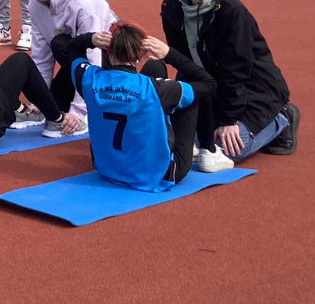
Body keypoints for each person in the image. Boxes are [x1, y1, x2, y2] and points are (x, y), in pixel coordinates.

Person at [159, 0, 299, 160]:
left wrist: (229, 120)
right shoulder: (171, 7)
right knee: (181, 143)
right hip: (213, 90)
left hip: (254, 91)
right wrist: (185, 102)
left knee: (227, 151)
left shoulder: (232, 12)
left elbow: (236, 69)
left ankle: (282, 117)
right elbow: (184, 63)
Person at [62, 24, 225, 188]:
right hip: (158, 175)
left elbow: (71, 48)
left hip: (107, 170)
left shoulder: (90, 79)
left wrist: (91, 39)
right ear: (140, 54)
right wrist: (169, 54)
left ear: (107, 50)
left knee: (155, 67)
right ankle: (208, 151)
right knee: (192, 90)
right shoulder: (155, 88)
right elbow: (208, 84)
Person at [20, 0, 117, 136]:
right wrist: (39, 102)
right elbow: (41, 58)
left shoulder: (84, 7)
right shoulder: (35, 6)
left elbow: (93, 60)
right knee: (53, 105)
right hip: (75, 63)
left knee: (60, 43)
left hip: (108, 60)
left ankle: (93, 105)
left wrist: (79, 112)